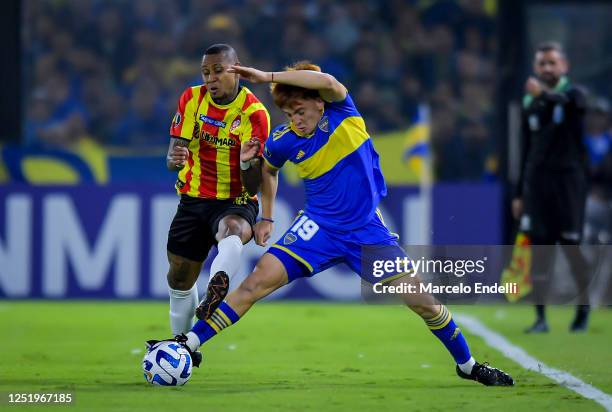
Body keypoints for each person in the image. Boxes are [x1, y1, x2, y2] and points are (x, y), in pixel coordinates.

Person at [151, 61, 514, 386]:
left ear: (319, 101)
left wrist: (267, 77)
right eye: (289, 112)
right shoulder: (282, 140)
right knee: (256, 282)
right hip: (317, 228)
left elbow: (325, 79)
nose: (295, 118)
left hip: (366, 233)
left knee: (425, 303)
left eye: (300, 108)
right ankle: (188, 343)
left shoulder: (343, 111)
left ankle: (467, 365)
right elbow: (269, 173)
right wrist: (266, 213)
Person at [165, 44, 270, 366]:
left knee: (234, 230)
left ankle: (217, 287)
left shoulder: (255, 114)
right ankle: (184, 347)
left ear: (236, 69)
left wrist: (245, 165)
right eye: (205, 72)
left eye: (218, 71)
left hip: (235, 197)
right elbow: (174, 154)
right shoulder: (191, 98)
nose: (211, 79)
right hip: (194, 198)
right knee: (179, 278)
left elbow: (255, 183)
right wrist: (173, 158)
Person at [512, 42, 591, 333]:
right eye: (542, 64)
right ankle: (540, 318)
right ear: (535, 68)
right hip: (537, 187)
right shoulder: (530, 104)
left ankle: (583, 309)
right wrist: (520, 192)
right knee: (540, 250)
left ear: (564, 67)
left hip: (569, 185)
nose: (547, 68)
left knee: (570, 247)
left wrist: (543, 94)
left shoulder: (574, 94)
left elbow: (573, 105)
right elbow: (525, 149)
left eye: (552, 63)